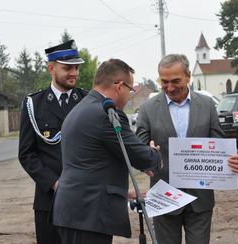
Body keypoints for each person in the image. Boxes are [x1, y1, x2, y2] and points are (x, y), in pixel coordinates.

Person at [136, 54, 238, 244]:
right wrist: (146, 152)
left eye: (175, 81)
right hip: (165, 195)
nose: (169, 87)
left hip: (200, 197)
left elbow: (219, 143)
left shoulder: (206, 105)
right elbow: (138, 146)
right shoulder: (147, 108)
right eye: (164, 82)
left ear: (188, 76)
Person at [51, 58, 161, 244]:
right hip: (88, 215)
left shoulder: (80, 109)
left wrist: (121, 191)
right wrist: (153, 154)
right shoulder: (106, 114)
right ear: (119, 86)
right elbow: (142, 157)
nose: (130, 95)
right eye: (130, 89)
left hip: (73, 211)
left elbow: (91, 163)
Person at [18, 39, 87, 244]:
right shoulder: (34, 104)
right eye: (67, 68)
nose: (74, 73)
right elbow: (27, 154)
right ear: (51, 68)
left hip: (86, 199)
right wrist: (54, 183)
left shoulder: (88, 101)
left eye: (76, 67)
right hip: (49, 201)